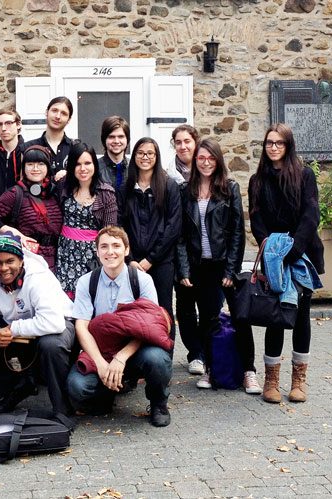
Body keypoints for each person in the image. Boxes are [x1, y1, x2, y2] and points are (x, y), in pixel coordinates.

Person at [176, 138, 261, 393]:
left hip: (224, 264)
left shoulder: (229, 188)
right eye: (201, 158)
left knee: (240, 318)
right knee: (209, 321)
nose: (205, 162)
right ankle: (213, 370)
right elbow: (180, 235)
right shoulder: (185, 191)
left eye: (210, 158)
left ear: (218, 160)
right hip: (199, 265)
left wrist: (231, 270)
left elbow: (237, 232)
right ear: (195, 160)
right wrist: (184, 269)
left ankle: (249, 371)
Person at [66, 226, 173, 427]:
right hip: (103, 349)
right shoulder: (86, 282)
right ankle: (107, 392)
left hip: (136, 347)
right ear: (97, 251)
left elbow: (151, 326)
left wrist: (121, 358)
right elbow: (82, 326)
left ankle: (159, 403)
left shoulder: (142, 280)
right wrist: (100, 363)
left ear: (126, 250)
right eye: (104, 247)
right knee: (77, 387)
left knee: (157, 359)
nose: (110, 252)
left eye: (116, 246)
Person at [248, 123, 324, 404]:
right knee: (275, 316)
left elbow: (311, 213)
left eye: (279, 143)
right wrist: (271, 249)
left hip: (301, 255)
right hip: (273, 259)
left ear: (288, 146)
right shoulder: (257, 180)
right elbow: (256, 218)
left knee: (301, 316)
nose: (274, 147)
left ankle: (298, 381)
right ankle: (271, 380)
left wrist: (294, 248)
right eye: (269, 142)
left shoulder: (304, 176)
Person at [0, 233, 75, 415]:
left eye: (10, 261)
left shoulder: (38, 276)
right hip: (18, 330)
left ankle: (62, 408)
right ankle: (16, 388)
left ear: (21, 260)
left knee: (51, 344)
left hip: (56, 327)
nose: (4, 268)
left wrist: (14, 329)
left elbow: (53, 322)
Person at [117, 137, 181, 340]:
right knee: (133, 310)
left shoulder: (169, 186)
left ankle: (165, 357)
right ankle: (138, 361)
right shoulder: (125, 188)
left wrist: (151, 259)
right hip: (132, 261)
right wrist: (131, 259)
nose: (145, 157)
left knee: (163, 310)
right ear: (134, 156)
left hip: (161, 261)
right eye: (140, 153)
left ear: (156, 157)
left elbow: (173, 226)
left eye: (150, 153)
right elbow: (120, 226)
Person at [0, 145, 62, 271]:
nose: (35, 168)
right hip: (29, 258)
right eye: (30, 164)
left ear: (48, 167)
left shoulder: (56, 191)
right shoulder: (16, 193)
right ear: (24, 167)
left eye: (41, 164)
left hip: (58, 258)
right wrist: (17, 235)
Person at [55, 141, 117, 298]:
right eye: (77, 164)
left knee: (90, 297)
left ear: (95, 164)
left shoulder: (106, 193)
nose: (83, 169)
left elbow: (110, 231)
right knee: (65, 301)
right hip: (65, 253)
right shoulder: (64, 186)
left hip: (92, 254)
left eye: (87, 163)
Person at [166, 125, 204, 374]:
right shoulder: (169, 178)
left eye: (187, 141)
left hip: (210, 253)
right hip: (183, 252)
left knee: (210, 306)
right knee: (186, 308)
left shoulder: (209, 171)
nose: (183, 146)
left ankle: (210, 351)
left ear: (195, 142)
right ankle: (195, 354)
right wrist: (182, 265)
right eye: (178, 142)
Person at [24, 96, 73, 178]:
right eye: (54, 110)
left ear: (69, 119)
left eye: (63, 113)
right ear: (46, 112)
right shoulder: (27, 148)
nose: (58, 116)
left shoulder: (75, 148)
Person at [97, 116, 130, 189]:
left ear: (127, 139)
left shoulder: (134, 167)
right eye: (111, 137)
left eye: (121, 137)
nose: (116, 141)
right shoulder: (94, 168)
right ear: (104, 140)